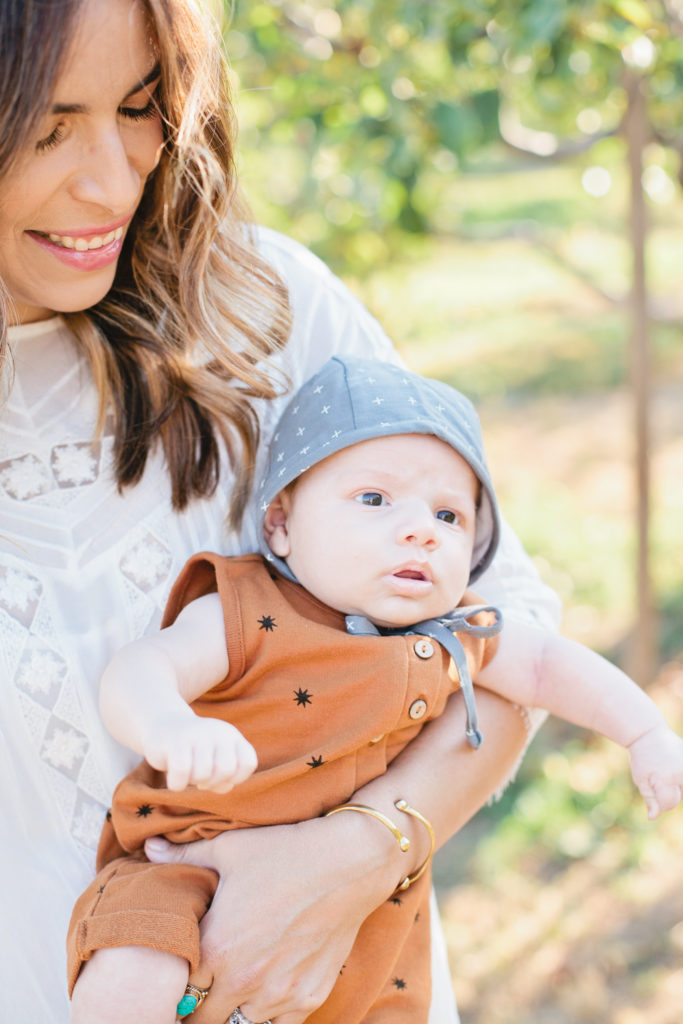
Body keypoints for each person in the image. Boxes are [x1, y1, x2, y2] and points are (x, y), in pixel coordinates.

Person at [0, 0, 563, 1022]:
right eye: (45, 126)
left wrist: (345, 861)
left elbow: (502, 630)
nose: (113, 179)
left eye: (138, 107)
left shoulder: (266, 312)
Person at [66, 356, 683, 1024]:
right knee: (131, 978)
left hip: (362, 923)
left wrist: (644, 732)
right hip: (184, 869)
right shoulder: (250, 609)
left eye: (448, 515)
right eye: (373, 500)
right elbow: (141, 668)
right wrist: (169, 726)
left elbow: (545, 670)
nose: (420, 528)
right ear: (281, 524)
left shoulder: (452, 634)